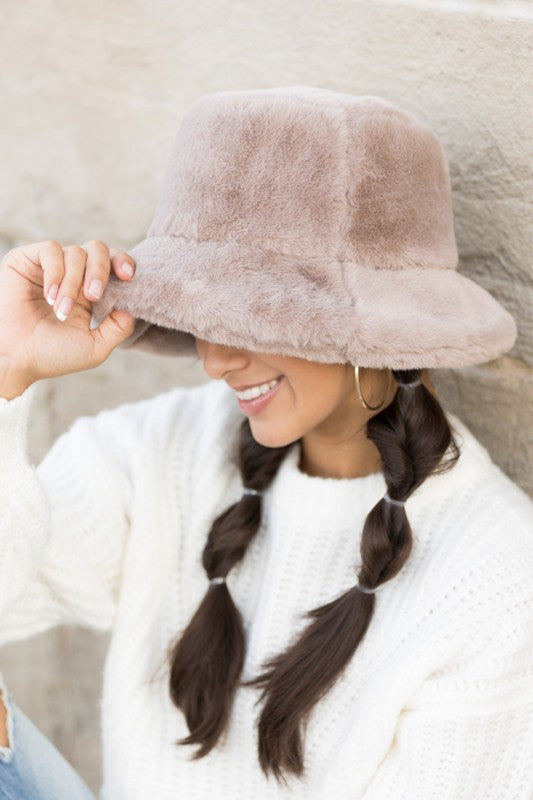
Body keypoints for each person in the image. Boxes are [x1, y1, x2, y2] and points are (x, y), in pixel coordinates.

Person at [0, 87, 532, 800]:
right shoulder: (161, 447)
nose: (216, 360)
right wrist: (6, 374)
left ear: (378, 326)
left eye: (252, 315)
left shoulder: (493, 576)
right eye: (200, 312)